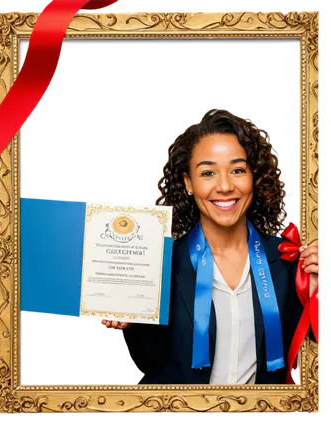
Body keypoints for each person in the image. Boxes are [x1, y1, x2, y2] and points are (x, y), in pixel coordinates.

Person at [100, 107, 320, 385]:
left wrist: (317, 292)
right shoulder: (158, 265)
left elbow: (313, 347)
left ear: (254, 176)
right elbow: (152, 367)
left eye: (238, 170)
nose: (225, 186)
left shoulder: (288, 260)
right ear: (188, 183)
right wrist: (130, 323)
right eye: (208, 173)